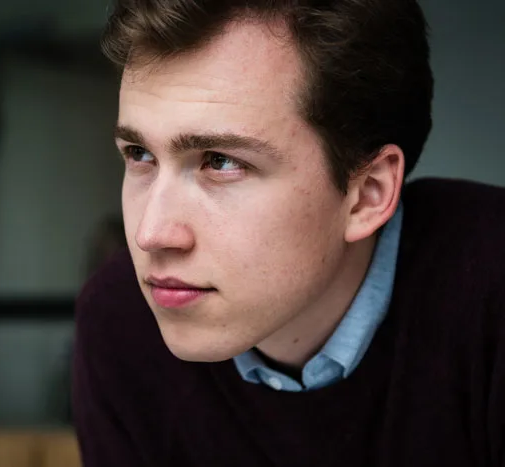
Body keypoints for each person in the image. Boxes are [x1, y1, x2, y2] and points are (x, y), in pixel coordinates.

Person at [71, 0, 505, 465]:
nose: (150, 234)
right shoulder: (119, 320)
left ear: (367, 194)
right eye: (139, 153)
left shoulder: (489, 292)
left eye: (221, 161)